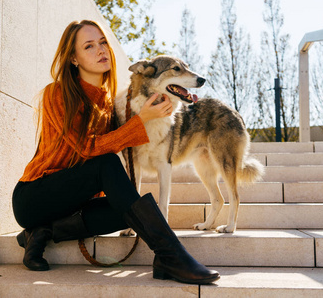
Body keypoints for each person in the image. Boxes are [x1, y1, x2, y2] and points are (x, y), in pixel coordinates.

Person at [12, 20, 220, 285]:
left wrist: (152, 113)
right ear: (74, 58)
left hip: (73, 204)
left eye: (102, 43)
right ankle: (169, 253)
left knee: (130, 209)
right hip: (34, 197)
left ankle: (42, 233)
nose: (101, 50)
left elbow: (120, 142)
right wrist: (141, 119)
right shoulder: (57, 93)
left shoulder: (108, 103)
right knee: (106, 162)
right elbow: (88, 149)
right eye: (89, 46)